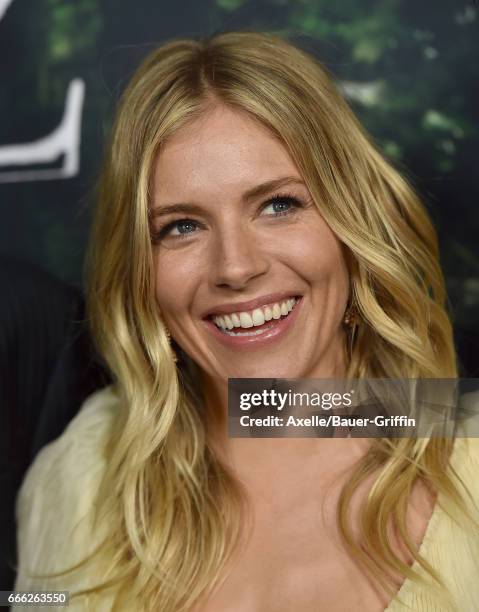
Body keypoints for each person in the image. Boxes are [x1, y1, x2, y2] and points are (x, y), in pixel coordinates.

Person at [13, 30, 479, 611]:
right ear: (138, 269)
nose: (236, 267)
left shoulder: (466, 442)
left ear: (352, 227)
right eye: (180, 226)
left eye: (278, 205)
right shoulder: (77, 479)